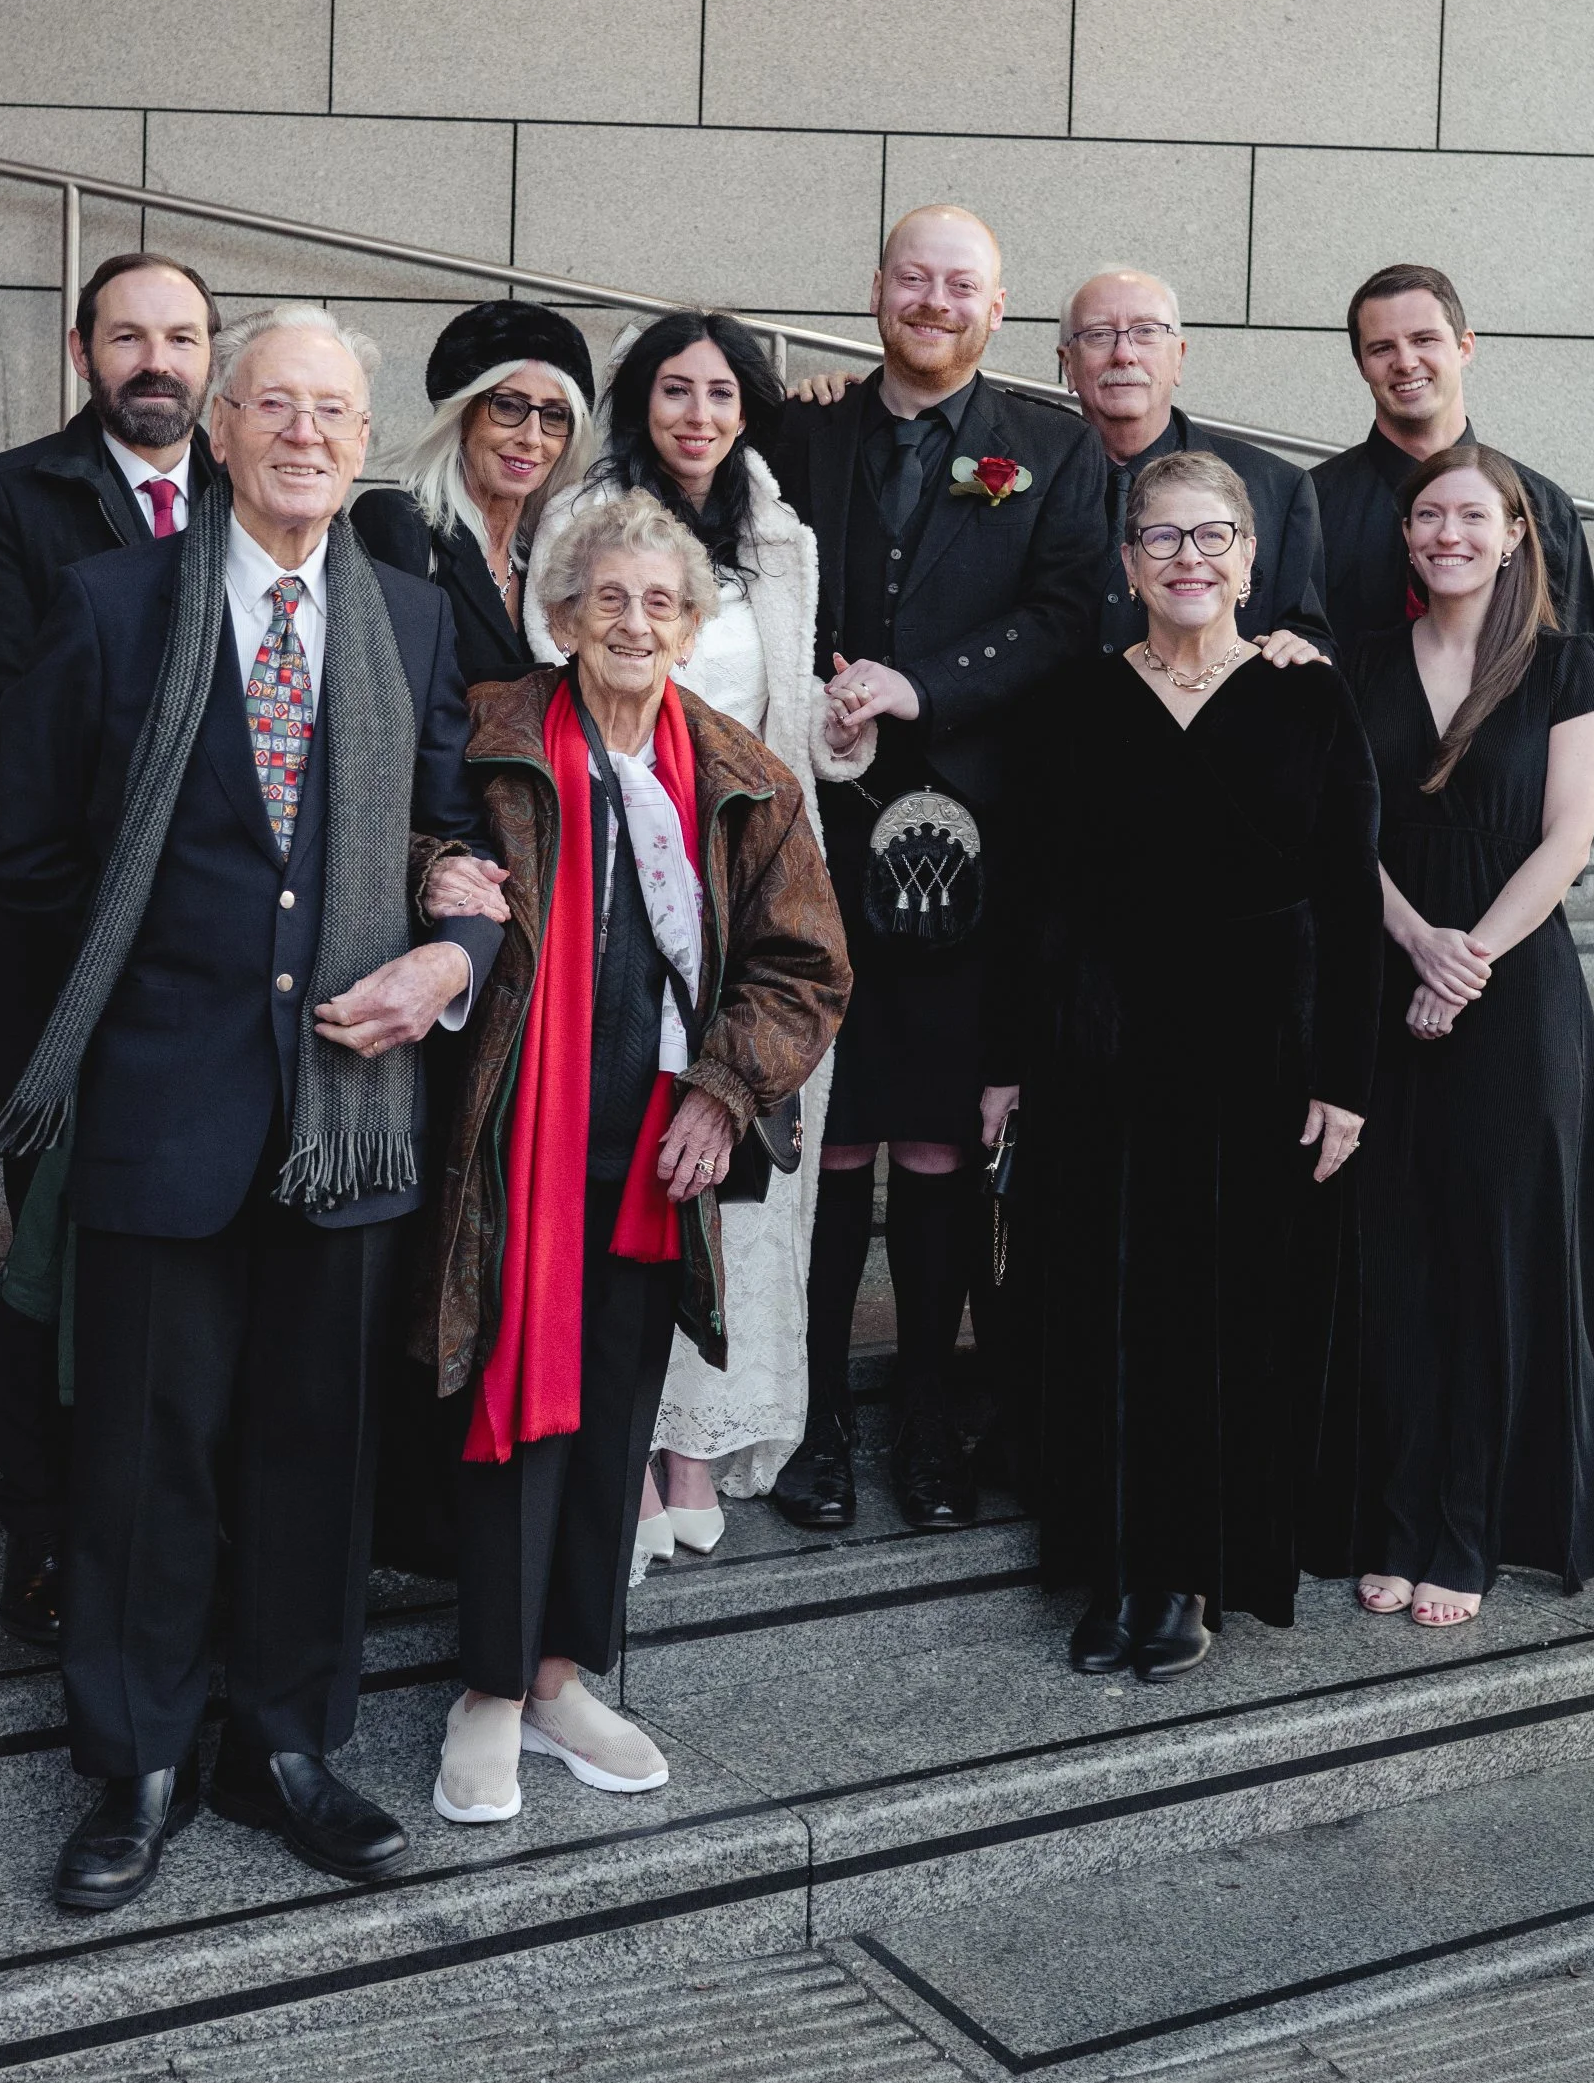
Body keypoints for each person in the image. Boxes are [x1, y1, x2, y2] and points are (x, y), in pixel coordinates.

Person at [0, 303, 511, 1913]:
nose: (309, 437)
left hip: (345, 1112)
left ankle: (283, 1742)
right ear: (223, 422)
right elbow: (24, 853)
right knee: (142, 1451)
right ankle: (135, 1757)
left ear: (361, 436)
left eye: (337, 413)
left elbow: (452, 838)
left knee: (310, 1452)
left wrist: (447, 965)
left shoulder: (405, 620)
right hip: (160, 1110)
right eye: (276, 406)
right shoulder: (110, 603)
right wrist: (123, 1006)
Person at [412, 494, 850, 1828]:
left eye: (661, 603)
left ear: (694, 623)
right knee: (509, 1405)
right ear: (562, 612)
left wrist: (723, 1093)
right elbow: (415, 838)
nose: (634, 623)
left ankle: (560, 1676)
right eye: (607, 598)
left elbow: (805, 967)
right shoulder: (490, 732)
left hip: (657, 1141)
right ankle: (487, 1691)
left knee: (611, 1420)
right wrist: (436, 868)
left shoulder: (739, 771)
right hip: (507, 1132)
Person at [986, 452, 1381, 1680]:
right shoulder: (1074, 704)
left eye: (1214, 538)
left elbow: (1349, 898)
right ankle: (1111, 1560)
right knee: (1108, 1309)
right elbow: (1028, 902)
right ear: (1126, 561)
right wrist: (1009, 1065)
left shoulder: (1312, 701)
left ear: (1253, 560)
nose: (1189, 560)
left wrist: (1345, 1079)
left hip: (1260, 1054)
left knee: (1230, 1315)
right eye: (1162, 538)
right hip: (1103, 1050)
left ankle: (1191, 1571)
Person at [768, 205, 1108, 1535]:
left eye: (959, 283)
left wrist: (924, 687)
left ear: (997, 308)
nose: (933, 298)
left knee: (935, 1140)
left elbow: (1069, 611)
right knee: (830, 1141)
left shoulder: (1055, 447)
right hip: (812, 833)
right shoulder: (803, 431)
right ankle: (809, 1433)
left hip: (969, 849)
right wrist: (816, 698)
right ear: (874, 292)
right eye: (912, 277)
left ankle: (923, 1424)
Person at [525, 313, 869, 1554]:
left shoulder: (781, 539)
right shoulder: (580, 522)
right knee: (629, 1146)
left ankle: (698, 1437)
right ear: (643, 401)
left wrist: (840, 731)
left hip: (754, 867)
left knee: (740, 1171)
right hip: (620, 857)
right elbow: (555, 677)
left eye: (723, 393)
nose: (700, 415)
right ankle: (620, 1433)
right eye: (676, 390)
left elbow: (787, 726)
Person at [1350, 443, 1594, 1626]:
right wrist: (1416, 945)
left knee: (1495, 1260)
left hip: (1518, 986)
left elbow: (1566, 841)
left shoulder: (1566, 667)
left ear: (1515, 536)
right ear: (1407, 540)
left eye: (1472, 515)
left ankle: (1467, 1526)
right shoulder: (1359, 666)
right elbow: (1344, 838)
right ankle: (1397, 1513)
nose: (1447, 532)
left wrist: (1469, 960)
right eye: (1428, 515)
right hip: (1391, 975)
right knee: (1395, 1257)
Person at [0, 250, 221, 1650]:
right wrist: (190, 825)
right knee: (49, 1274)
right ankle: (45, 1540)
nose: (154, 360)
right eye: (128, 336)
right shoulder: (11, 497)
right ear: (81, 350)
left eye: (179, 336)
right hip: (62, 951)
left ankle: (170, 1529)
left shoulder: (252, 494)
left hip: (215, 974)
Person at [1315, 265, 1594, 656]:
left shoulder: (1543, 509)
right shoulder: (1309, 505)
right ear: (1361, 365)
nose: (1405, 362)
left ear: (1465, 347)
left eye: (1424, 339)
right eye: (1382, 348)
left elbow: (1583, 689)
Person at [1057, 265, 1332, 659]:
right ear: (1068, 363)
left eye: (1146, 332)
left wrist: (1297, 649)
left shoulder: (1277, 487)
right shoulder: (1038, 478)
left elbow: (1310, 640)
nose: (1124, 354)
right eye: (1099, 335)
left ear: (1179, 357)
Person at [349, 300, 596, 681]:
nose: (532, 438)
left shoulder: (549, 559)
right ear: (463, 416)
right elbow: (385, 688)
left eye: (554, 415)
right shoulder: (399, 524)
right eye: (509, 406)